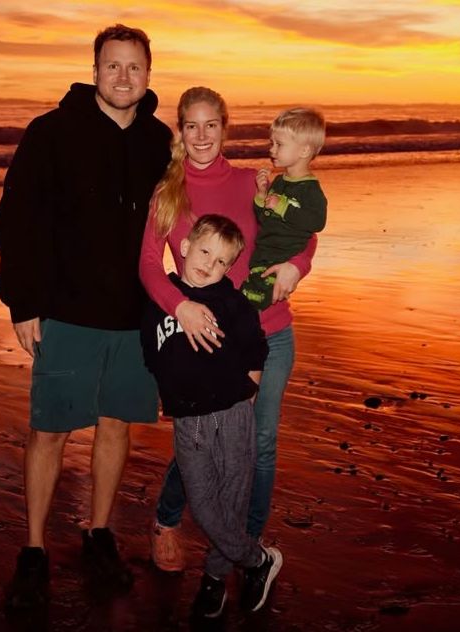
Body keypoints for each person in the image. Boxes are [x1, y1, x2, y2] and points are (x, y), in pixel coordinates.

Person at [0, 24, 172, 609]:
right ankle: (35, 549)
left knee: (117, 425)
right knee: (49, 431)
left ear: (149, 74)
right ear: (94, 69)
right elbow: (16, 219)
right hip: (65, 310)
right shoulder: (51, 133)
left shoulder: (158, 141)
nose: (123, 77)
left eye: (134, 67)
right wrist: (23, 303)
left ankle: (99, 535)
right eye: (112, 66)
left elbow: (188, 217)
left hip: (133, 314)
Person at [138, 87, 317, 574]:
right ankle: (167, 519)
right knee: (200, 441)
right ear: (181, 130)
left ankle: (244, 547)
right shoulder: (168, 193)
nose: (201, 135)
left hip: (270, 334)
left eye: (210, 125)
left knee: (256, 444)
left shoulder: (250, 184)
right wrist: (182, 309)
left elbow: (301, 232)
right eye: (191, 126)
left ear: (225, 127)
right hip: (204, 339)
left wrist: (295, 268)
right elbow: (151, 266)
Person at [141, 214, 281, 618]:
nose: (210, 265)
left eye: (222, 261)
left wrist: (247, 396)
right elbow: (152, 353)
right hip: (189, 421)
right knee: (203, 506)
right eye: (204, 252)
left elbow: (256, 350)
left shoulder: (231, 301)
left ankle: (215, 579)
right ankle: (258, 561)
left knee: (232, 498)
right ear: (184, 247)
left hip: (233, 413)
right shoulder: (160, 298)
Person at [241, 107, 328, 309]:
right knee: (251, 290)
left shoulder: (310, 189)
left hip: (283, 253)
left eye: (279, 144)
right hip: (264, 251)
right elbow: (265, 219)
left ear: (304, 151)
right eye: (272, 143)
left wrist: (283, 207)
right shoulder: (279, 182)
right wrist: (261, 196)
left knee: (256, 298)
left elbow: (317, 222)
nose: (272, 150)